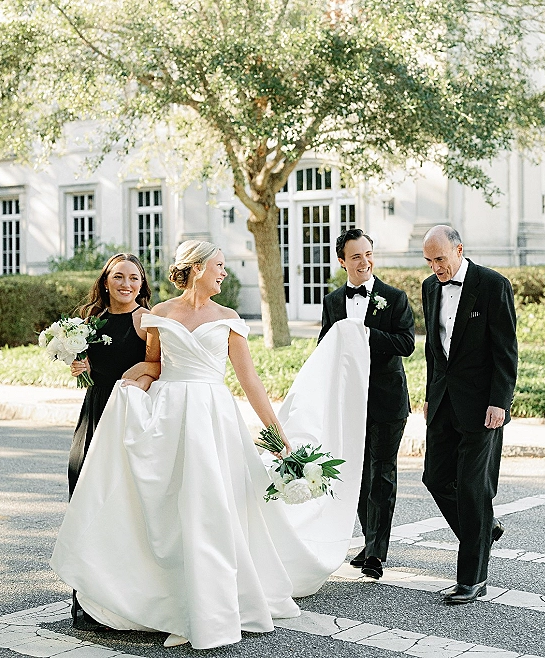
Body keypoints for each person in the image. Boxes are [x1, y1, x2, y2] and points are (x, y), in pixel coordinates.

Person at [51, 240, 371, 649]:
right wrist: (136, 381)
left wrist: (277, 434)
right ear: (198, 267)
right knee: (169, 511)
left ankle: (211, 603)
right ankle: (170, 597)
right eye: (219, 265)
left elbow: (250, 381)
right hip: (167, 418)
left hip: (212, 417)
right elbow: (157, 364)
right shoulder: (160, 314)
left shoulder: (229, 319)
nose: (224, 271)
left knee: (211, 509)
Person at [421, 225, 518, 605]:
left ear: (459, 249)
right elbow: (434, 348)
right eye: (429, 261)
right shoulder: (431, 288)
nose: (435, 268)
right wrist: (430, 394)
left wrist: (500, 401)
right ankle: (483, 529)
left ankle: (472, 578)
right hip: (443, 401)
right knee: (435, 478)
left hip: (482, 407)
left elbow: (506, 350)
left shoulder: (492, 285)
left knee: (474, 489)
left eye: (440, 259)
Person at [319, 228, 415, 580]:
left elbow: (406, 343)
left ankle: (376, 552)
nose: (365, 262)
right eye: (356, 256)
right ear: (342, 261)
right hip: (350, 403)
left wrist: (365, 333)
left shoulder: (394, 297)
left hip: (387, 401)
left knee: (383, 475)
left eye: (369, 254)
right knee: (358, 475)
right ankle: (371, 539)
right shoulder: (332, 302)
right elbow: (324, 347)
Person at [67, 253, 151, 496]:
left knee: (118, 485)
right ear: (105, 282)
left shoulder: (146, 320)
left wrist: (138, 384)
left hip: (129, 408)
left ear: (141, 284)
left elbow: (159, 365)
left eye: (134, 278)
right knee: (81, 471)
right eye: (118, 277)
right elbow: (96, 364)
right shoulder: (93, 319)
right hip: (94, 407)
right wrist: (81, 367)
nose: (126, 284)